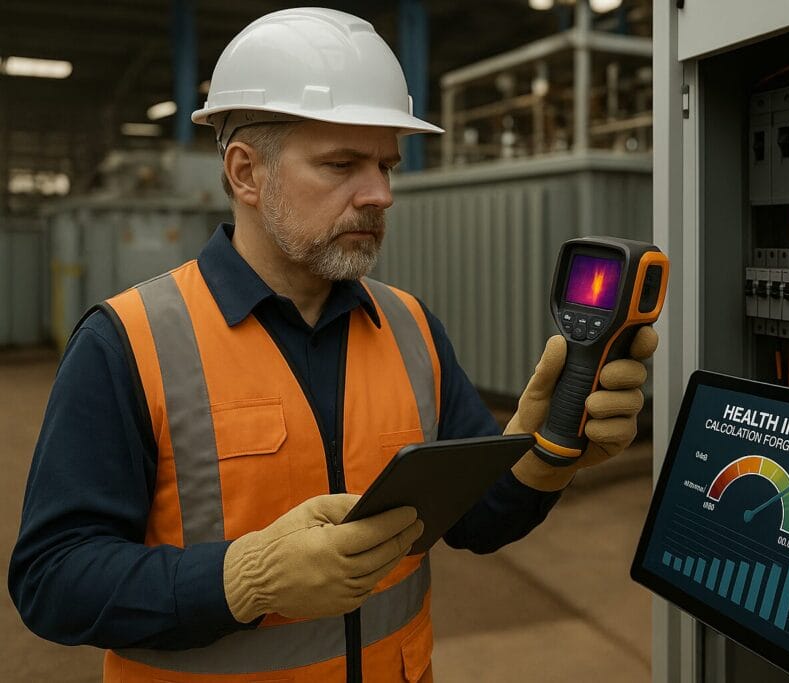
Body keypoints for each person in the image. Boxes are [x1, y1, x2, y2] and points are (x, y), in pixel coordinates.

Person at [9, 8, 656, 683]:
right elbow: (52, 578)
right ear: (245, 173)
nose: (380, 194)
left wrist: (546, 454)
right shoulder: (127, 343)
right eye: (341, 164)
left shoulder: (411, 327)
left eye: (385, 165)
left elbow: (476, 520)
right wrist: (245, 579)